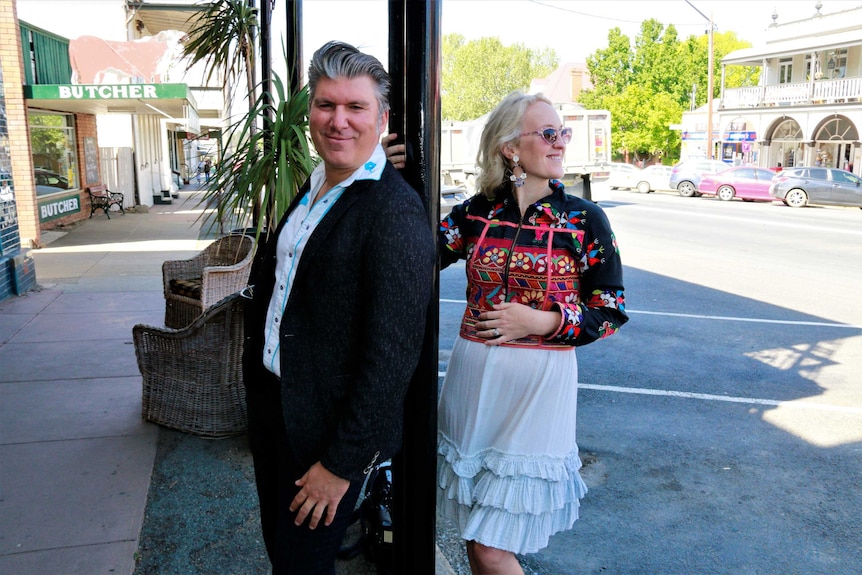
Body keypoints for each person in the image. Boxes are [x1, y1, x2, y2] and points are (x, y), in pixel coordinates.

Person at [242, 40, 435, 575]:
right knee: (286, 558)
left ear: (382, 117)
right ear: (310, 112)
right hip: (280, 412)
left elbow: (392, 358)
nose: (339, 121)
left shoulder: (392, 211)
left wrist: (341, 465)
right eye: (326, 105)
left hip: (328, 440)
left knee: (302, 566)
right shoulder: (316, 186)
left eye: (356, 107)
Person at [433, 91, 629, 574]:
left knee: (490, 545)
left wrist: (542, 321)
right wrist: (387, 173)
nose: (560, 142)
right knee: (475, 536)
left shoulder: (585, 219)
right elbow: (416, 255)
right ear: (510, 149)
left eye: (562, 132)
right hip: (472, 381)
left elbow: (610, 310)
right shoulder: (476, 212)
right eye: (548, 133)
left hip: (538, 389)